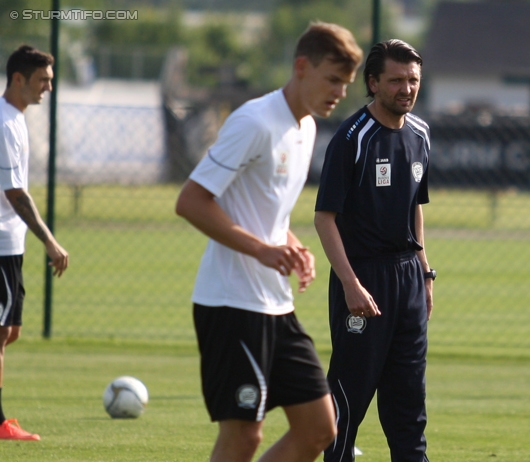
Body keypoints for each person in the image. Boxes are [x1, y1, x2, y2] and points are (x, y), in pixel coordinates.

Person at [175, 22, 363, 462]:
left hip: (276, 307)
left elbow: (267, 214)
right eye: (332, 79)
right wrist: (262, 250)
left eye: (346, 84)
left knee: (319, 428)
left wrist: (292, 246)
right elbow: (192, 201)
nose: (339, 92)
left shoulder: (308, 129)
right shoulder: (254, 121)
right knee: (243, 437)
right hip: (232, 304)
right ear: (301, 67)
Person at [314, 39, 434, 462]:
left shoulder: (420, 134)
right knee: (349, 397)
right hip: (363, 276)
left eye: (413, 80)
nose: (407, 88)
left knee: (408, 402)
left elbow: (414, 208)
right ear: (373, 82)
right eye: (396, 80)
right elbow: (324, 218)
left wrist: (425, 272)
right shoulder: (352, 138)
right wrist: (350, 283)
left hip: (409, 280)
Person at [0, 45, 69, 441]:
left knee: (10, 332)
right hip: (2, 243)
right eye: (42, 80)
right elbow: (15, 193)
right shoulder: (5, 123)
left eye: (50, 81)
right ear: (18, 79)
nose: (48, 88)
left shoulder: (16, 119)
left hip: (10, 242)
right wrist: (51, 241)